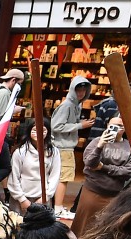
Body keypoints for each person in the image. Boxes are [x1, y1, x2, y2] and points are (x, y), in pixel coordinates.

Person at [72, 115, 131, 239]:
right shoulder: (97, 141)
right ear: (107, 126)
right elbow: (90, 163)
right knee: (83, 225)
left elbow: (128, 172)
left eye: (121, 126)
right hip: (92, 190)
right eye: (114, 125)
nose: (117, 128)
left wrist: (103, 167)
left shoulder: (129, 147)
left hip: (114, 194)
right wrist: (100, 146)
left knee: (104, 227)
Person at [49, 76, 93, 218]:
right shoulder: (68, 105)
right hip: (63, 147)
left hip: (64, 145)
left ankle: (55, 206)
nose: (81, 93)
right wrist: (80, 125)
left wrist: (79, 123)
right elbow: (56, 126)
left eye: (83, 90)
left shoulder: (75, 104)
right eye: (78, 90)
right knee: (64, 177)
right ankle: (58, 207)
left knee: (60, 177)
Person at [8, 120, 60, 210]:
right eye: (35, 130)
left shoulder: (54, 152)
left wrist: (45, 197)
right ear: (29, 131)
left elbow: (55, 176)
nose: (39, 133)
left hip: (43, 198)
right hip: (21, 198)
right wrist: (22, 199)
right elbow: (14, 177)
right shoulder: (20, 152)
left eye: (43, 130)